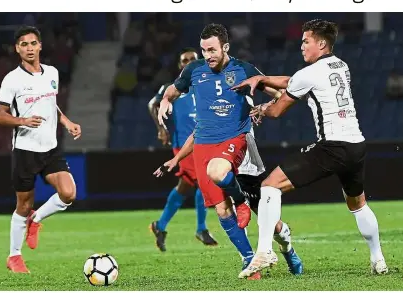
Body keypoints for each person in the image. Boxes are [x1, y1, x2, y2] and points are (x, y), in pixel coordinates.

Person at [232, 19, 389, 277]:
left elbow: (278, 110)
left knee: (270, 184)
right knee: (357, 203)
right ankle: (378, 259)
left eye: (306, 41)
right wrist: (263, 79)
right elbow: (294, 81)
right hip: (356, 145)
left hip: (332, 146)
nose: (302, 46)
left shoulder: (310, 74)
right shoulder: (341, 65)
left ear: (322, 43)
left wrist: (260, 108)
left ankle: (264, 251)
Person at [155, 96, 304, 275]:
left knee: (273, 224)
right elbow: (198, 131)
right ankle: (248, 260)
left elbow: (280, 93)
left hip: (247, 167)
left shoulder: (241, 89)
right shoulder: (208, 94)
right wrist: (177, 158)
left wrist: (264, 107)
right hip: (220, 166)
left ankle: (288, 250)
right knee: (224, 210)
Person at [0, 25, 81, 273]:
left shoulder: (52, 72)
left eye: (33, 43)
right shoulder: (12, 79)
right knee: (23, 204)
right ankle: (14, 256)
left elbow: (51, 104)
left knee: (69, 193)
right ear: (17, 49)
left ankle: (36, 219)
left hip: (50, 149)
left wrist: (67, 122)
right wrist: (22, 121)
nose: (29, 48)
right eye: (24, 44)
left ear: (40, 46)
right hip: (25, 151)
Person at [148, 47, 218, 251]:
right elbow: (152, 104)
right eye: (184, 60)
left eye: (192, 60)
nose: (188, 63)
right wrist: (161, 128)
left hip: (205, 141)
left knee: (185, 187)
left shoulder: (207, 86)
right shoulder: (172, 88)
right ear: (180, 66)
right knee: (204, 181)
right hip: (184, 146)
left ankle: (159, 226)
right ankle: (201, 228)